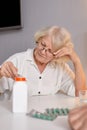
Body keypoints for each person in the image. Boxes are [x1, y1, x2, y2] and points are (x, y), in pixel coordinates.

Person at [0, 26, 86, 96]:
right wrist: (0, 73)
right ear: (39, 39)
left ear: (58, 54)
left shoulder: (61, 68)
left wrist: (76, 60)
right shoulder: (17, 60)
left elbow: (80, 93)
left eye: (50, 51)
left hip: (47, 115)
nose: (43, 51)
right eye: (43, 44)